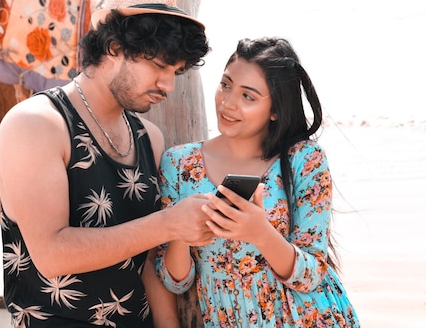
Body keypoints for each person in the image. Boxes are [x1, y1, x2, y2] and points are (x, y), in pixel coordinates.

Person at [0, 0, 214, 328]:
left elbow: (147, 265)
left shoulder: (148, 138)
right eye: (159, 66)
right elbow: (51, 254)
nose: (169, 86)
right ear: (113, 47)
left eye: (176, 72)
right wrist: (170, 223)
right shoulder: (37, 125)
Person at [155, 37, 361, 327]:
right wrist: (181, 234)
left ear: (275, 110)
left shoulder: (304, 159)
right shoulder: (179, 163)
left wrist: (260, 232)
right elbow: (175, 281)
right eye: (225, 85)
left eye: (248, 96)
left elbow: (312, 273)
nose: (228, 103)